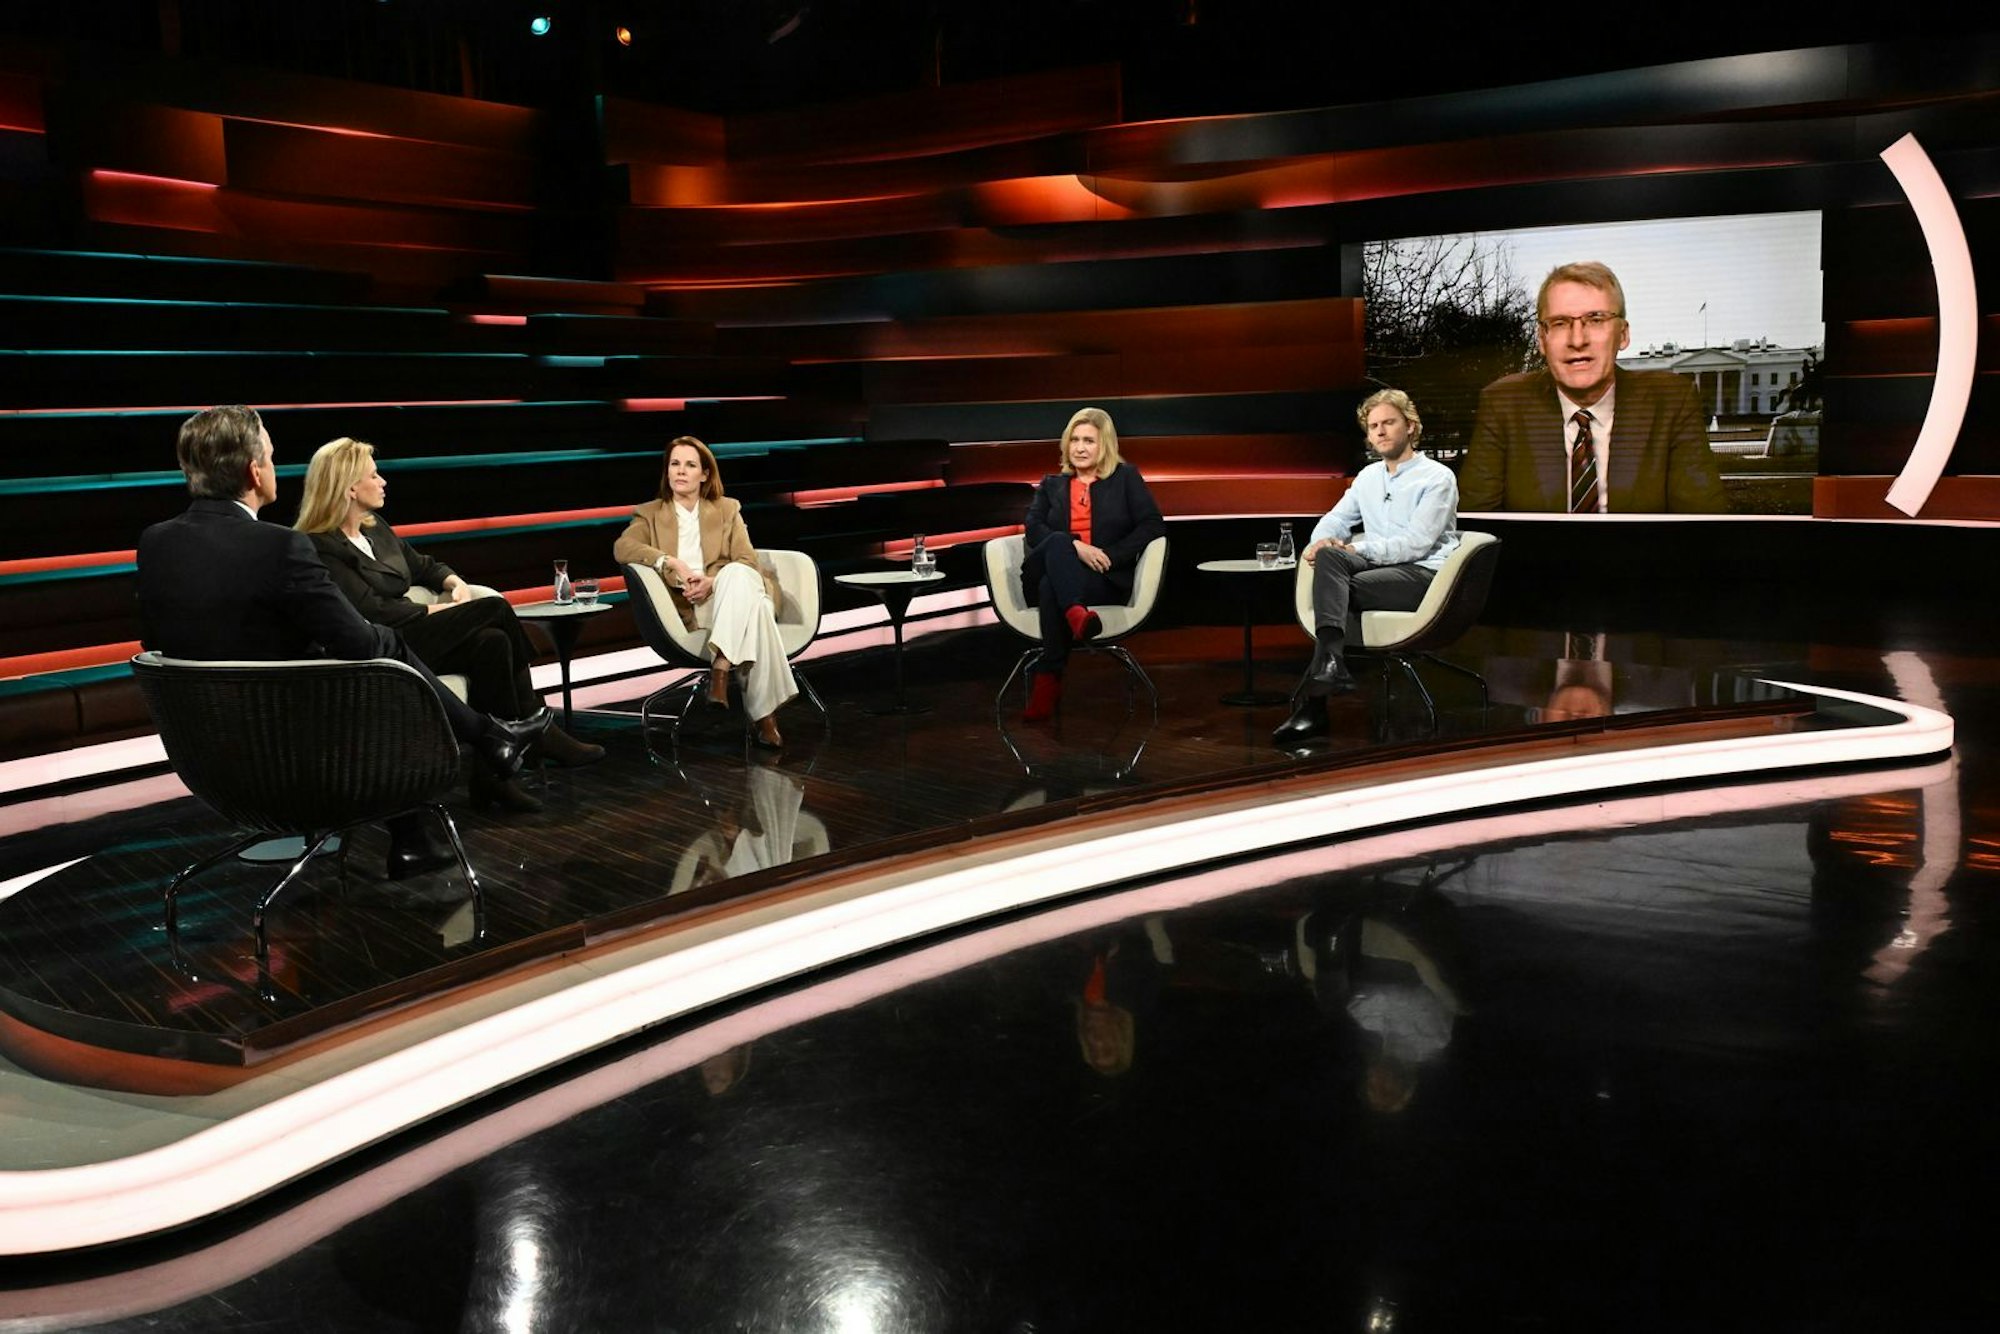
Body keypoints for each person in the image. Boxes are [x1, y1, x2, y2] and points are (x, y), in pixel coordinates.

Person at [135, 405, 550, 879]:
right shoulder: (279, 545)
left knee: (378, 658)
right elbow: (357, 640)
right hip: (296, 747)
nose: (273, 467)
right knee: (384, 655)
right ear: (254, 472)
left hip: (208, 752)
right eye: (271, 457)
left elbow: (157, 641)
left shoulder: (156, 542)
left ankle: (422, 827)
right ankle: (488, 740)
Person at [295, 437, 603, 812]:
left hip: (420, 632)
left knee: (493, 643)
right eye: (374, 475)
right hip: (390, 644)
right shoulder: (319, 545)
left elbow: (424, 566)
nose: (383, 481)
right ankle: (534, 721)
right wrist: (436, 612)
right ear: (349, 487)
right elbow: (373, 611)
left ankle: (492, 781)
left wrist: (454, 582)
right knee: (494, 607)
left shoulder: (375, 529)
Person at [1458, 261, 1727, 514]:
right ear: (1541, 339)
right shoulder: (1503, 403)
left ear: (1623, 334)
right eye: (1560, 323)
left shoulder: (1672, 402)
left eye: (1596, 319)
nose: (1577, 340)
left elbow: (1702, 527)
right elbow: (1475, 529)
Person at [1273, 388, 1460, 743]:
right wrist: (1322, 541)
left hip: (1423, 576)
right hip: (1377, 572)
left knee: (1333, 590)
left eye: (1389, 422)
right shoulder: (1368, 477)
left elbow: (1416, 544)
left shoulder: (1437, 478)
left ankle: (1315, 704)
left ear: (1410, 426)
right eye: (1374, 426)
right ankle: (1329, 669)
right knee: (1329, 558)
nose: (1380, 431)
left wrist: (1355, 549)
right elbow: (1335, 519)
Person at [612, 436, 796, 749]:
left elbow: (747, 560)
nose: (680, 471)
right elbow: (623, 547)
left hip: (727, 592)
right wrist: (669, 561)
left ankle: (720, 666)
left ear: (704, 474)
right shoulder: (650, 513)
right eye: (674, 464)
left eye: (690, 465)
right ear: (667, 471)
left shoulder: (727, 509)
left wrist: (714, 581)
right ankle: (764, 717)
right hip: (692, 605)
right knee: (759, 610)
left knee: (737, 574)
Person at [1018, 407, 1166, 722]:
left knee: (1051, 587)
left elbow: (1152, 524)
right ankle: (1076, 613)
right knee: (1059, 541)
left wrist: (1111, 555)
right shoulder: (1051, 484)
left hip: (1101, 577)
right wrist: (1077, 547)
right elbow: (1033, 528)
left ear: (1105, 445)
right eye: (1074, 440)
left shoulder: (1125, 478)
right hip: (1047, 564)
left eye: (1089, 441)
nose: (1080, 448)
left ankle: (1048, 678)